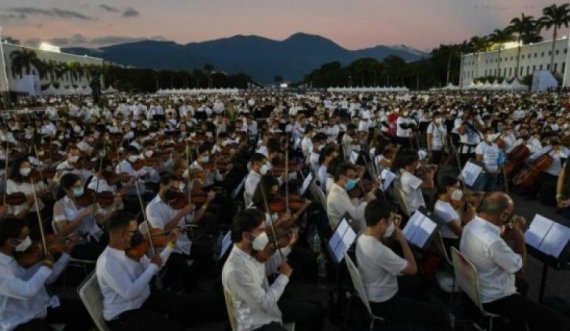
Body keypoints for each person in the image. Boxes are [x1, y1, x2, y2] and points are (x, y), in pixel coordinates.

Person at [460, 192, 570, 331]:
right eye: (509, 215)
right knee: (557, 322)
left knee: (523, 286)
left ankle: (513, 321)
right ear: (504, 215)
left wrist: (504, 236)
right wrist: (520, 239)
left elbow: (491, 250)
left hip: (475, 286)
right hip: (493, 298)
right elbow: (519, 269)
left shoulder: (472, 223)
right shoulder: (493, 242)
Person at [96, 211, 223, 331]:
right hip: (125, 313)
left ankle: (222, 310)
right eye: (134, 232)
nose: (139, 236)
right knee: (171, 328)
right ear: (122, 235)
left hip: (144, 298)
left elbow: (156, 266)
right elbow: (130, 292)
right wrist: (152, 266)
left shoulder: (132, 249)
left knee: (186, 304)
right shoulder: (108, 263)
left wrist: (170, 246)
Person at [356, 199, 451, 331]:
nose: (392, 224)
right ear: (382, 223)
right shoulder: (379, 251)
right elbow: (413, 269)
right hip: (385, 302)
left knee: (418, 284)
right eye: (390, 220)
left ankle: (420, 312)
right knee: (441, 316)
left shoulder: (363, 236)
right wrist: (403, 241)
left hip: (375, 288)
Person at [222, 208, 323, 331]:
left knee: (315, 310)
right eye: (261, 231)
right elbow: (265, 303)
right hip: (256, 324)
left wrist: (289, 246)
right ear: (246, 236)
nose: (265, 235)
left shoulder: (250, 252)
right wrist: (283, 277)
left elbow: (266, 267)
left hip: (268, 308)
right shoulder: (235, 271)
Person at [0, 218, 92, 331]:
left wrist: (66, 253)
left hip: (42, 307)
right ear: (11, 242)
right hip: (19, 320)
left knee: (86, 311)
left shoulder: (22, 256)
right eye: (25, 237)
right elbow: (27, 291)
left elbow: (49, 279)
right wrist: (46, 263)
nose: (30, 241)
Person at [146, 172, 216, 291]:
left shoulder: (178, 201)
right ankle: (189, 291)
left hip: (183, 243)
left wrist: (206, 202)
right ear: (162, 186)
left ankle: (200, 281)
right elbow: (163, 232)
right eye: (171, 188)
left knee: (208, 251)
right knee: (184, 270)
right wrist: (181, 213)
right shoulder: (152, 208)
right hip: (168, 248)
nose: (175, 192)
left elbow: (193, 219)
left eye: (177, 189)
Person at [52, 173, 105, 260]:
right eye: (76, 187)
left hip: (97, 234)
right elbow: (63, 231)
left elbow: (101, 221)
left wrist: (107, 208)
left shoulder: (88, 198)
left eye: (81, 185)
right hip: (78, 242)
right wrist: (83, 214)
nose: (81, 189)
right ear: (66, 190)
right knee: (105, 255)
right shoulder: (59, 205)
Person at [326, 162, 376, 231]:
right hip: (347, 230)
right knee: (368, 202)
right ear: (341, 177)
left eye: (354, 177)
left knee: (360, 199)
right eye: (351, 177)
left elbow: (354, 182)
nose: (353, 180)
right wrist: (366, 202)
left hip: (348, 221)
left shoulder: (339, 188)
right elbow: (355, 215)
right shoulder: (336, 197)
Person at [434, 175, 476, 251]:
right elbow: (460, 233)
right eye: (457, 187)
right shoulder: (443, 210)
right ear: (447, 188)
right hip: (453, 244)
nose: (459, 191)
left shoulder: (447, 203)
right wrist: (470, 220)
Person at [391, 149, 435, 215]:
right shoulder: (408, 177)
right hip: (417, 210)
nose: (418, 163)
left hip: (411, 206)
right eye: (416, 161)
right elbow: (430, 185)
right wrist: (430, 173)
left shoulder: (401, 171)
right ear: (409, 163)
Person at [474, 128, 501, 192]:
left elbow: (498, 159)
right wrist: (488, 172)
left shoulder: (495, 145)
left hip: (494, 173)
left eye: (493, 133)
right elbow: (478, 162)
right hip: (483, 173)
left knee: (490, 192)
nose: (492, 135)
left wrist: (498, 169)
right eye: (490, 133)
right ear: (485, 135)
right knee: (480, 192)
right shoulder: (481, 146)